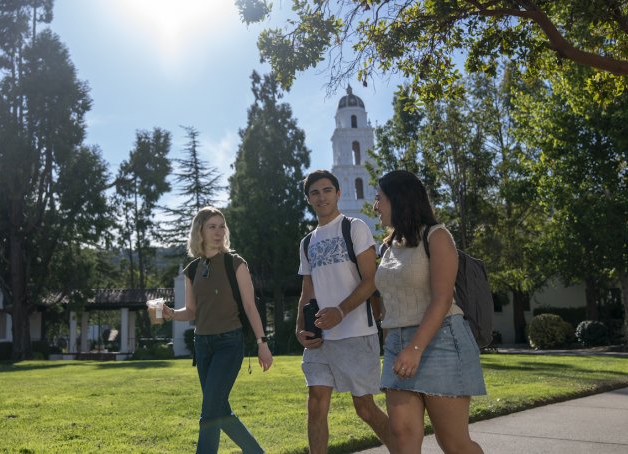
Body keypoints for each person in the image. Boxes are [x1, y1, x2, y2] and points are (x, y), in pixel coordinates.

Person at [373, 170, 486, 454]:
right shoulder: (388, 247)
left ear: (399, 200)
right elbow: (389, 299)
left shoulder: (436, 236)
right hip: (398, 344)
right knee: (401, 435)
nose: (375, 206)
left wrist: (415, 347)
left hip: (441, 342)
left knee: (454, 443)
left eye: (379, 199)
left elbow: (442, 298)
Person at [159, 206, 273, 454]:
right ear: (199, 231)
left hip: (229, 344)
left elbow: (250, 306)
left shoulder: (235, 263)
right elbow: (191, 312)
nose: (219, 231)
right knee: (218, 409)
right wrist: (171, 313)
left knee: (209, 412)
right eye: (212, 226)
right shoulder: (192, 270)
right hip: (203, 347)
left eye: (222, 226)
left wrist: (262, 343)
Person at [296, 170, 395, 454]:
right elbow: (307, 290)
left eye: (327, 190)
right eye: (314, 192)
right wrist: (300, 328)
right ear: (308, 199)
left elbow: (371, 279)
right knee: (315, 404)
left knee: (364, 408)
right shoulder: (306, 243)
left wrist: (340, 311)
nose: (321, 196)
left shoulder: (354, 227)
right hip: (319, 339)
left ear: (338, 193)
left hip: (356, 333)